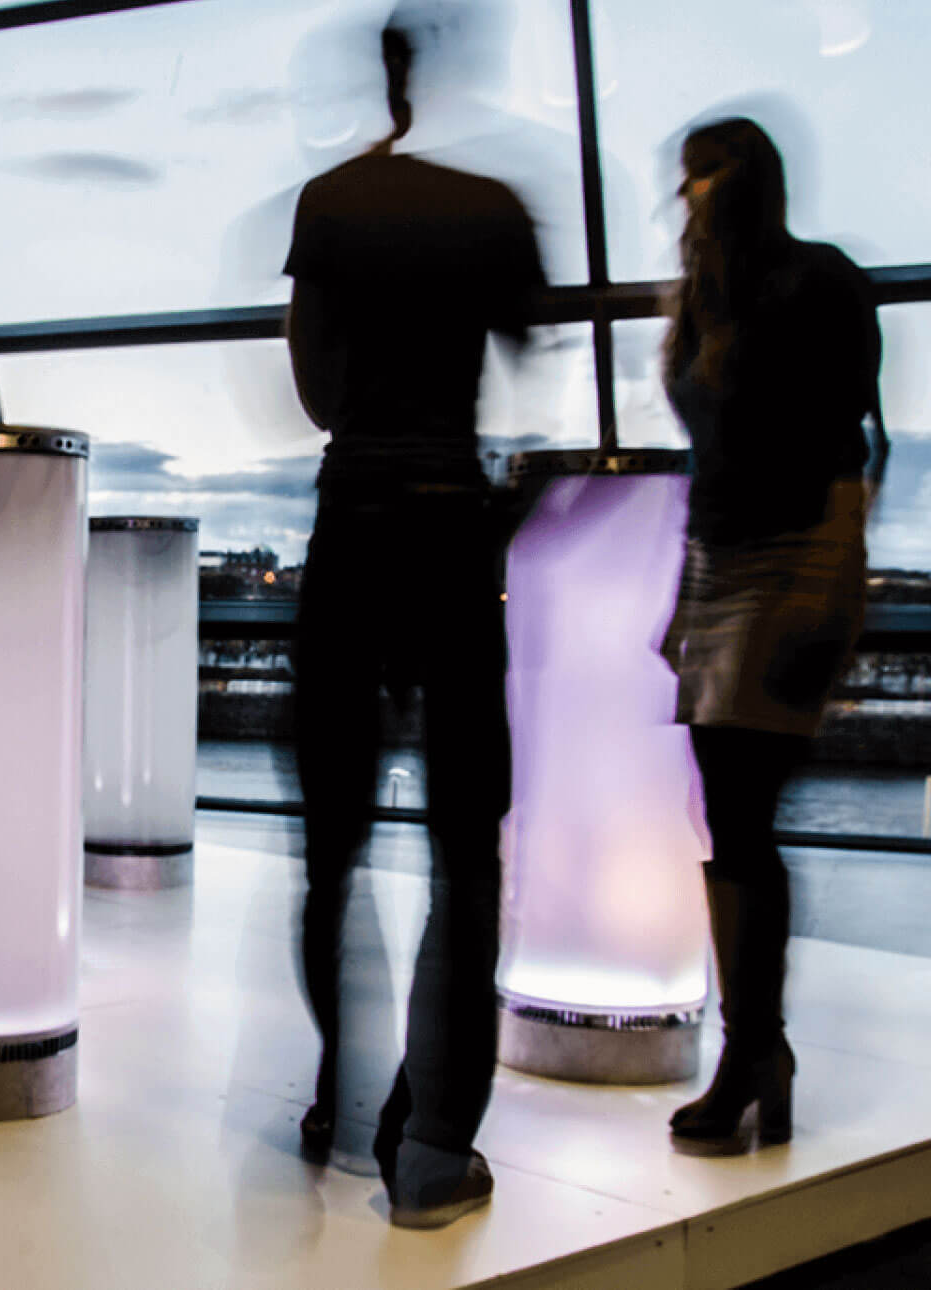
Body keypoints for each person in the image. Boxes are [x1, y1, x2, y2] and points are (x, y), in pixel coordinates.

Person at [282, 5, 544, 1229]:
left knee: (332, 842)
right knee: (462, 844)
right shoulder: (494, 204)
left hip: (354, 517)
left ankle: (337, 1093)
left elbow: (317, 387)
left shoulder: (325, 204)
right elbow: (525, 348)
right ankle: (434, 1144)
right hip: (450, 523)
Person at [657, 116, 882, 1155]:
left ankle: (754, 1050)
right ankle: (756, 1052)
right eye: (689, 176)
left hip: (795, 557)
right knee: (728, 817)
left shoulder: (814, 285)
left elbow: (849, 445)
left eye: (710, 174)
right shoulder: (702, 305)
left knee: (743, 813)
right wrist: (683, 598)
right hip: (717, 565)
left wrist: (828, 598)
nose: (693, 194)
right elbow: (712, 465)